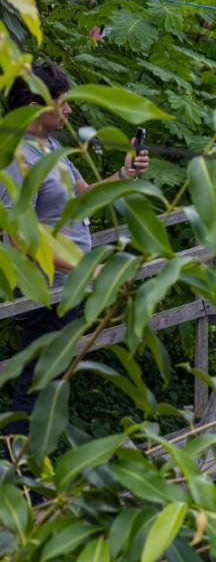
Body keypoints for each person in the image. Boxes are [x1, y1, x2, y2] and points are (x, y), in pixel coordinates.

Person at [1, 59, 149, 426]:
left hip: (69, 288)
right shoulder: (15, 158)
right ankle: (22, 478)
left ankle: (33, 471)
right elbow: (20, 238)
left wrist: (122, 174)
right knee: (35, 390)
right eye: (62, 102)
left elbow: (82, 196)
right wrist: (86, 269)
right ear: (36, 108)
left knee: (49, 387)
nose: (68, 109)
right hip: (45, 292)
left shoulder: (49, 145)